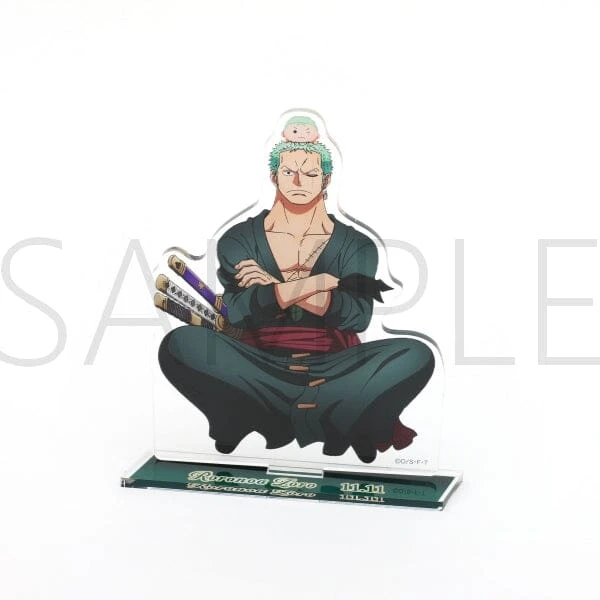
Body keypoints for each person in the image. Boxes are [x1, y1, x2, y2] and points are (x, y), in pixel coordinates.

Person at [158, 139, 434, 463]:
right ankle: (334, 412)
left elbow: (357, 316)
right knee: (181, 344)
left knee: (415, 354)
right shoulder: (239, 239)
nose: (299, 181)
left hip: (336, 366)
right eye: (289, 172)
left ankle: (267, 411)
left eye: (311, 173)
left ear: (326, 179)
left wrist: (276, 288)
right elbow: (239, 312)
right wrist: (316, 285)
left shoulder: (357, 245)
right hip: (259, 363)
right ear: (274, 176)